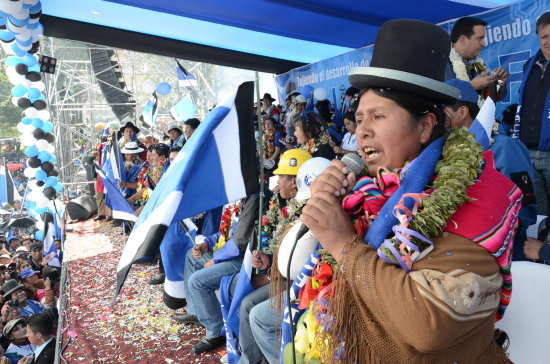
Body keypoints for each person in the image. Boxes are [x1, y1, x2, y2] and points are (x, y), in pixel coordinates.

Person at [295, 19, 519, 363]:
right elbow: (298, 268)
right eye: (360, 118)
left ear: (426, 126)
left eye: (379, 117)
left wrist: (343, 246)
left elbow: (427, 325)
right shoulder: (370, 190)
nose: (362, 132)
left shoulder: (479, 194)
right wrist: (325, 205)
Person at [444, 78, 537, 261]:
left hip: (504, 256)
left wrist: (487, 235)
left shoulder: (504, 147)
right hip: (462, 253)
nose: (438, 120)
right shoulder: (446, 150)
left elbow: (525, 209)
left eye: (443, 113)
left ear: (462, 112)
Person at [181, 192, 266, 355]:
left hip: (242, 260)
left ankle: (215, 332)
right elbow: (225, 233)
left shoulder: (253, 199)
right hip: (227, 253)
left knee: (196, 282)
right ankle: (195, 312)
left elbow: (240, 243)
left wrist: (216, 258)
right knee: (190, 258)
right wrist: (207, 244)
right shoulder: (238, 197)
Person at [514, 11, 550, 216]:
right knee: (538, 215)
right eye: (544, 37)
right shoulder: (529, 66)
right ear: (537, 37)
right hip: (527, 152)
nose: (548, 42)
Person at [446, 16, 507, 105]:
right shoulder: (442, 63)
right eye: (480, 38)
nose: (484, 43)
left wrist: (501, 84)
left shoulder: (479, 64)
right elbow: (442, 98)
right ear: (463, 40)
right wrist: (472, 86)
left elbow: (497, 98)